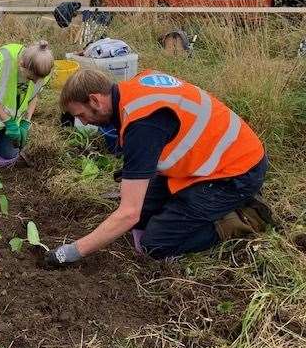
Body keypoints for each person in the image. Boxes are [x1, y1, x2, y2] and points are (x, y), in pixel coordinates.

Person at [46, 68, 271, 265]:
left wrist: (70, 252)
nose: (83, 122)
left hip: (236, 173)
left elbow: (128, 215)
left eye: (81, 115)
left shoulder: (142, 124)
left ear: (95, 100)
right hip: (207, 162)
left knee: (154, 245)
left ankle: (244, 217)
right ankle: (197, 203)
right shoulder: (134, 88)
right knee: (144, 215)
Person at [0, 41, 54, 160]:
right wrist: (9, 123)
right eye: (30, 78)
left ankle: (0, 133)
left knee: (8, 154)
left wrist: (25, 122)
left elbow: (33, 96)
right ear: (21, 65)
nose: (35, 82)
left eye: (37, 80)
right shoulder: (1, 60)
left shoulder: (44, 70)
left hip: (10, 110)